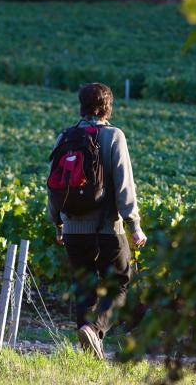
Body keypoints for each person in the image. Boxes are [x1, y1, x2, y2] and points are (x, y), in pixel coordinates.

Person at [47, 82, 147, 359]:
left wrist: (57, 223)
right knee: (120, 283)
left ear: (81, 105)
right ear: (108, 107)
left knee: (83, 284)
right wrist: (134, 225)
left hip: (73, 229)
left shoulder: (65, 137)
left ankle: (86, 346)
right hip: (106, 229)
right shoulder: (114, 136)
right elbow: (124, 184)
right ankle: (96, 330)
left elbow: (53, 186)